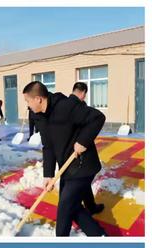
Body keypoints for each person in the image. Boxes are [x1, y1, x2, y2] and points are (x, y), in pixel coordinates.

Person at [23, 81, 106, 236]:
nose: (27, 106)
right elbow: (48, 146)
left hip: (82, 165)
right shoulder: (39, 116)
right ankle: (99, 236)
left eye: (28, 101)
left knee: (64, 210)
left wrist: (83, 141)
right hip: (67, 168)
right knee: (72, 208)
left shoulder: (66, 107)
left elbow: (98, 117)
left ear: (38, 99)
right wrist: (48, 174)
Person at [70, 82, 105, 216]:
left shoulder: (64, 105)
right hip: (81, 153)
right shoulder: (79, 107)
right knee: (82, 182)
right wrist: (83, 141)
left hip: (69, 151)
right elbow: (99, 117)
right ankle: (76, 209)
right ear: (83, 93)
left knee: (84, 181)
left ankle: (91, 206)